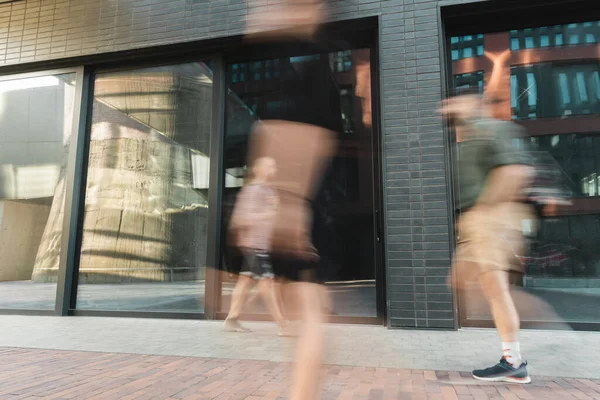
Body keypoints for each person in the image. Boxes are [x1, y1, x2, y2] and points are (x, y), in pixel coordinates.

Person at [443, 91, 535, 384]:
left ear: (473, 103)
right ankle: (513, 359)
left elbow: (516, 171)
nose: (447, 107)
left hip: (488, 220)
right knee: (463, 281)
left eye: (454, 101)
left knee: (494, 290)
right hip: (478, 222)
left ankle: (514, 360)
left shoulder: (492, 129)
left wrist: (487, 212)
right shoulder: (469, 137)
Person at [224, 157, 291, 336]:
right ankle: (283, 324)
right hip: (255, 245)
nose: (274, 168)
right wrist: (269, 212)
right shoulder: (255, 190)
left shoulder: (265, 190)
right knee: (267, 284)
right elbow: (243, 219)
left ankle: (232, 319)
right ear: (260, 169)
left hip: (256, 244)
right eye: (270, 165)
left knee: (244, 281)